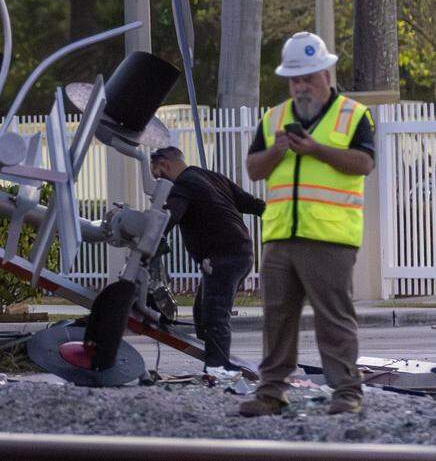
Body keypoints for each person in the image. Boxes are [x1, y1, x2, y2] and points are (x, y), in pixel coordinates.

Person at [238, 31, 375, 417]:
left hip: (330, 237)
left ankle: (347, 392)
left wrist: (316, 149)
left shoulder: (353, 115)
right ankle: (271, 392)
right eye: (295, 79)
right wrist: (278, 149)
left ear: (326, 74)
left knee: (334, 320)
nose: (302, 86)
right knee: (277, 319)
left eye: (309, 77)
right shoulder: (274, 119)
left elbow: (364, 163)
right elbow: (253, 169)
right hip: (281, 236)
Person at [150, 146, 265, 378]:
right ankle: (216, 357)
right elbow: (249, 202)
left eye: (158, 175)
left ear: (165, 165)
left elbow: (171, 216)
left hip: (224, 256)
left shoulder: (182, 185)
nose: (159, 182)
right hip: (240, 251)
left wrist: (152, 238)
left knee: (215, 312)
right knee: (202, 314)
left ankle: (218, 368)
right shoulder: (212, 177)